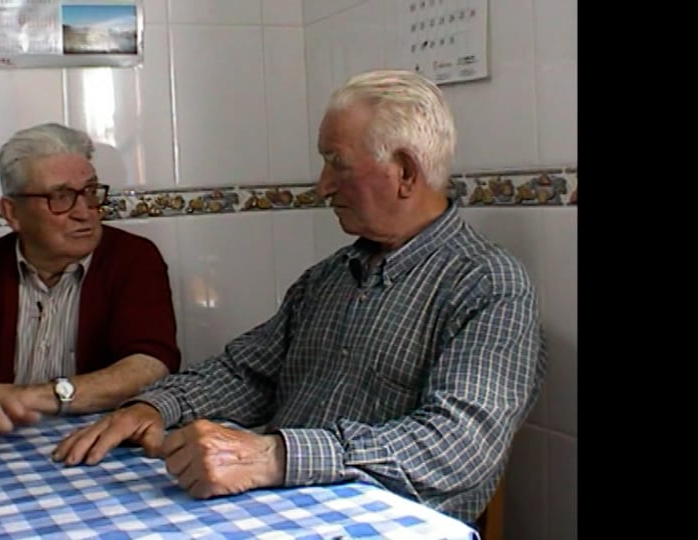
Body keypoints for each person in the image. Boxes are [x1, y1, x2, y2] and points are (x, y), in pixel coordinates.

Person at [51, 70, 547, 525]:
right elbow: (246, 372)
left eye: (337, 163)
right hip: (282, 510)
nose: (323, 185)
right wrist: (155, 407)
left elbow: (459, 446)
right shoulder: (328, 278)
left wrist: (273, 456)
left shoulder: (490, 286)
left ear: (405, 172)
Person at [0, 122, 182, 441]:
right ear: (12, 213)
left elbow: (150, 365)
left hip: (100, 441)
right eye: (60, 197)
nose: (85, 212)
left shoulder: (132, 259)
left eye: (90, 192)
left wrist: (29, 397)